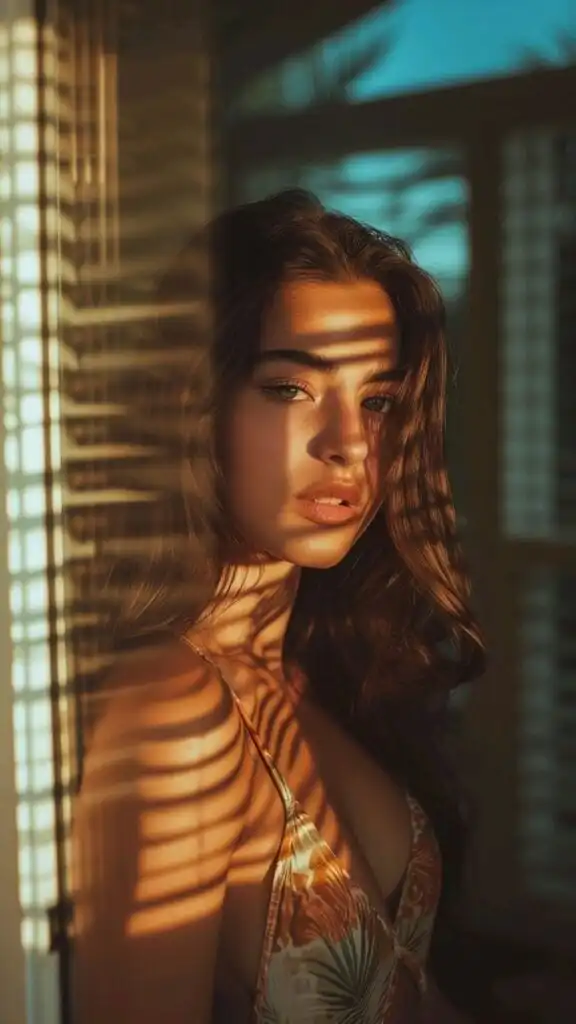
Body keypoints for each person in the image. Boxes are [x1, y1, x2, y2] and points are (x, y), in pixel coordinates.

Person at [72, 189, 484, 1023]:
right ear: (196, 403)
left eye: (377, 400)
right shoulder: (176, 711)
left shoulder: (311, 667)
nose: (349, 444)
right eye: (291, 388)